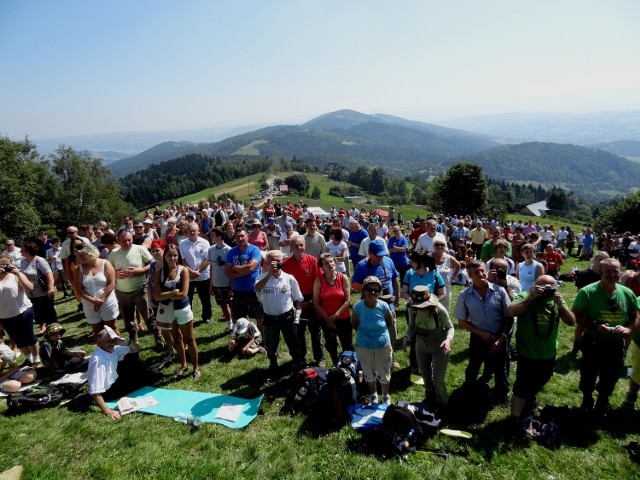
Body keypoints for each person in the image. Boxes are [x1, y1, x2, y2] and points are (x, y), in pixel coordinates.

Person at [571, 258, 638, 415]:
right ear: (600, 272)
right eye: (608, 271)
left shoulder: (627, 293)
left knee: (611, 376)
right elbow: (575, 316)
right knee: (588, 374)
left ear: (620, 272)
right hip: (593, 342)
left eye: (616, 271)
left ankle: (603, 401)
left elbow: (634, 317)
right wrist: (596, 326)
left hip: (615, 343)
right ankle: (587, 400)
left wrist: (628, 329)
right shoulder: (587, 292)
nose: (612, 274)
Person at [508, 276, 575, 428]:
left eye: (551, 287)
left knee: (542, 379)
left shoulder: (556, 300)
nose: (547, 290)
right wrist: (530, 297)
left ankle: (528, 400)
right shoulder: (525, 296)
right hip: (527, 352)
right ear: (535, 286)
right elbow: (511, 311)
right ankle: (514, 420)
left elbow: (571, 322)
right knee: (521, 386)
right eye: (543, 286)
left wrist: (561, 305)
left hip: (548, 353)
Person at [454, 260, 513, 403]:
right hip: (478, 338)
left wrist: (501, 338)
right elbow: (461, 321)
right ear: (470, 275)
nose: (480, 274)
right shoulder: (465, 295)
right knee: (474, 366)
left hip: (500, 336)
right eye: (476, 272)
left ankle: (501, 394)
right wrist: (481, 334)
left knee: (501, 369)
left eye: (482, 271)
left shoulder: (500, 291)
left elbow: (509, 317)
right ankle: (468, 391)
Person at [402, 285, 454, 409]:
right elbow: (412, 327)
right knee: (425, 375)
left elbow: (450, 327)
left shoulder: (439, 309)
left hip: (439, 343)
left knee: (438, 379)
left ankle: (443, 403)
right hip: (420, 342)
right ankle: (430, 398)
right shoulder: (412, 309)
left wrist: (448, 340)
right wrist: (406, 338)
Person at [154, 244, 200, 380]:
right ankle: (183, 365)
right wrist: (173, 292)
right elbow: (156, 295)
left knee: (189, 339)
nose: (172, 258)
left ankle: (196, 367)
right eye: (169, 255)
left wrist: (165, 295)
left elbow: (184, 294)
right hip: (169, 311)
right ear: (165, 256)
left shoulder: (183, 270)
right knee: (177, 339)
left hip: (182, 309)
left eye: (175, 255)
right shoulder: (158, 273)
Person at [255, 250, 304, 377]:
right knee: (270, 344)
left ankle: (296, 363)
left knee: (293, 343)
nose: (275, 264)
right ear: (266, 262)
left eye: (278, 261)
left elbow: (298, 298)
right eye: (272, 261)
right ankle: (273, 363)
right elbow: (257, 289)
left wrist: (297, 315)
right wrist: (269, 274)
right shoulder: (261, 278)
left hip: (287, 317)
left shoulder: (289, 278)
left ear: (282, 262)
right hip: (270, 318)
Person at [109, 230, 159, 350]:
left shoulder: (140, 249)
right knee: (128, 319)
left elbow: (151, 264)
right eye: (124, 241)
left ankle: (158, 337)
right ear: (118, 241)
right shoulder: (114, 253)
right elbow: (109, 270)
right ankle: (134, 339)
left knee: (148, 316)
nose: (127, 243)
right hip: (122, 292)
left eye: (129, 240)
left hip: (139, 289)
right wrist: (115, 274)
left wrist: (138, 271)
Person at [352, 276, 395, 405]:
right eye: (370, 289)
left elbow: (389, 322)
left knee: (384, 371)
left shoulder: (384, 306)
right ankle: (373, 394)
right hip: (364, 345)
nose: (373, 293)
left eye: (376, 290)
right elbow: (354, 325)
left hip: (382, 344)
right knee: (368, 372)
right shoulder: (358, 307)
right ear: (364, 290)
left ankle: (386, 395)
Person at [282, 236, 324, 367]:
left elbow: (319, 283)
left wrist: (312, 301)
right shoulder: (286, 264)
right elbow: (284, 286)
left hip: (312, 299)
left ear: (304, 246)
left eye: (301, 245)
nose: (299, 248)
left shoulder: (312, 261)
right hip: (295, 301)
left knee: (315, 331)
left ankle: (319, 358)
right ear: (291, 248)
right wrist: (295, 303)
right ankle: (301, 358)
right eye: (296, 246)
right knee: (298, 333)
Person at [87, 326, 140, 420]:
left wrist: (126, 342)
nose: (112, 343)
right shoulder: (98, 361)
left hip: (114, 381)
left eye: (114, 340)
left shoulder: (113, 349)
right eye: (108, 341)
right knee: (143, 380)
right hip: (107, 393)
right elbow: (94, 391)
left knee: (132, 357)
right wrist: (107, 411)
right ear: (99, 343)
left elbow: (136, 349)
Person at [0, 255, 41, 367]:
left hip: (23, 311)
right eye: (2, 265)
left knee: (29, 336)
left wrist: (17, 273)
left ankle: (37, 358)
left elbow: (29, 288)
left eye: (8, 264)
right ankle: (28, 359)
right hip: (5, 316)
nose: (5, 267)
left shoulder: (16, 275)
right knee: (18, 339)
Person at [74, 242, 121, 338]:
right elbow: (79, 289)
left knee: (113, 329)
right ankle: (103, 352)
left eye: (83, 255)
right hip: (89, 303)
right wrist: (93, 301)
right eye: (79, 256)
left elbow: (112, 284)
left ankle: (117, 351)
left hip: (107, 301)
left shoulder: (105, 263)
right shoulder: (79, 269)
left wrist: (100, 300)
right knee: (98, 333)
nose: (81, 258)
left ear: (91, 252)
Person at [313, 253, 352, 365]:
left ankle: (348, 364)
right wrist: (327, 318)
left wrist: (335, 316)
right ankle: (335, 364)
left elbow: (347, 301)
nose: (330, 264)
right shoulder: (318, 281)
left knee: (347, 343)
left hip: (342, 317)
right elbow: (316, 303)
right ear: (322, 267)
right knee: (331, 343)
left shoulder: (343, 277)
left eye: (331, 261)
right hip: (326, 319)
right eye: (326, 263)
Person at [225, 226, 264, 331]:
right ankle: (246, 339)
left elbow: (251, 268)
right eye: (237, 237)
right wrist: (244, 270)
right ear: (235, 239)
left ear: (247, 236)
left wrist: (234, 268)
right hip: (238, 291)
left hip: (254, 290)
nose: (240, 238)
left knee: (259, 318)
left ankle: (263, 341)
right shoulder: (231, 252)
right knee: (240, 319)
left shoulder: (255, 250)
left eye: (242, 236)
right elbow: (227, 273)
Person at [20, 240, 57, 335]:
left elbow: (49, 275)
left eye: (22, 249)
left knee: (49, 314)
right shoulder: (23, 262)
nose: (20, 251)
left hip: (43, 293)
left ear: (28, 251)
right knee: (37, 313)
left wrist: (50, 289)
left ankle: (54, 333)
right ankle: (44, 329)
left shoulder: (39, 260)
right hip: (31, 294)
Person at [178, 223, 212, 325]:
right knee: (188, 297)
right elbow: (182, 261)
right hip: (188, 276)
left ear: (198, 231)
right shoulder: (182, 244)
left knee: (205, 297)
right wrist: (191, 272)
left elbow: (208, 259)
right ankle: (189, 317)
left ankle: (207, 316)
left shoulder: (205, 242)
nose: (192, 232)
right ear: (186, 232)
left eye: (194, 230)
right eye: (190, 231)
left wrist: (198, 271)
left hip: (203, 275)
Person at [208, 227, 233, 332]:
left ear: (219, 236)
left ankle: (236, 325)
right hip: (216, 283)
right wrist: (211, 284)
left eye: (213, 235)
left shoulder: (229, 250)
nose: (211, 237)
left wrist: (232, 286)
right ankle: (229, 324)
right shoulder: (211, 249)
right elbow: (211, 267)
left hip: (227, 283)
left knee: (232, 306)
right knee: (223, 306)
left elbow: (232, 270)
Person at [432, 239, 461, 310]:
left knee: (444, 310)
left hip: (445, 288)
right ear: (433, 246)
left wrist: (453, 277)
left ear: (445, 246)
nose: (439, 246)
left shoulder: (449, 258)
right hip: (432, 287)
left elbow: (458, 266)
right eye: (437, 244)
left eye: (442, 245)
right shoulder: (429, 257)